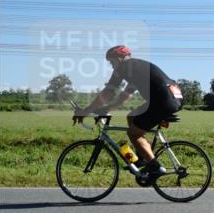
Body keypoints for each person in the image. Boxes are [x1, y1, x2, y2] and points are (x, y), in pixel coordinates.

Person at [73, 46, 183, 184]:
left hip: (163, 101)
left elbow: (108, 92)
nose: (112, 66)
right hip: (172, 98)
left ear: (119, 59)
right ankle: (142, 158)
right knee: (131, 117)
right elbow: (124, 97)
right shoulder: (135, 69)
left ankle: (156, 167)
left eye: (112, 62)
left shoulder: (124, 68)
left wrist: (86, 111)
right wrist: (106, 109)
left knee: (133, 133)